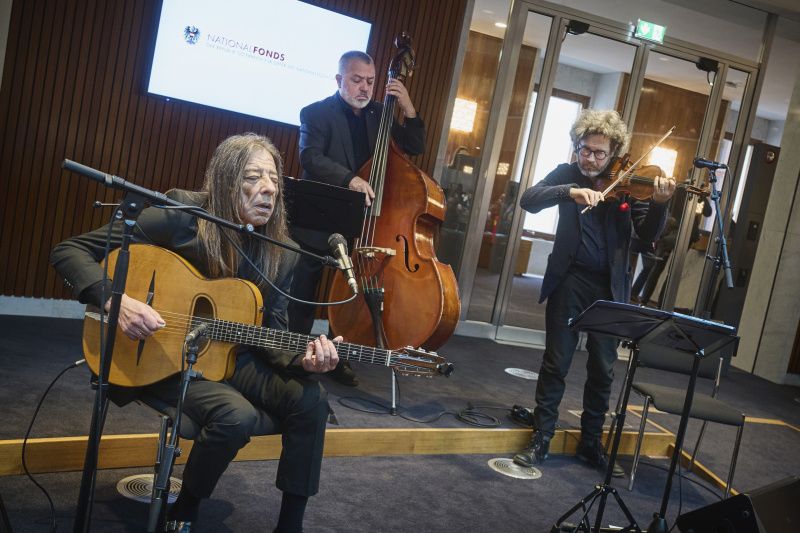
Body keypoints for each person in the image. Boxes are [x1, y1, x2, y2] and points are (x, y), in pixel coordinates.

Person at [51, 133, 339, 533]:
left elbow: (274, 335)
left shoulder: (283, 251)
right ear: (224, 181)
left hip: (235, 356)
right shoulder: (179, 215)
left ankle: (290, 525)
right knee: (234, 415)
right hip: (161, 353)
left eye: (273, 179)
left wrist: (305, 360)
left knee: (311, 398)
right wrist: (118, 302)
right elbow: (69, 251)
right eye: (253, 178)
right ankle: (186, 507)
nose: (268, 189)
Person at [513, 109, 676, 477]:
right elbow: (529, 199)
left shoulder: (627, 183)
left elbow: (648, 233)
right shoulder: (567, 173)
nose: (591, 159)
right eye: (585, 150)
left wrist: (661, 205)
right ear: (577, 147)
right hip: (570, 279)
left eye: (600, 153)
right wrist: (569, 192)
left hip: (611, 288)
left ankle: (590, 443)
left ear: (615, 151)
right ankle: (541, 438)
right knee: (556, 362)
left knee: (603, 369)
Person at [288, 50, 426, 386]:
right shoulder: (316, 112)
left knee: (346, 295)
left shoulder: (380, 113)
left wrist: (407, 107)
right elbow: (311, 157)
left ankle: (337, 358)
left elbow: (413, 145)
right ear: (339, 80)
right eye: (356, 80)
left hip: (358, 225)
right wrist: (350, 179)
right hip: (317, 218)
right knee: (304, 292)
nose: (364, 88)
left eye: (370, 81)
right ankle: (292, 354)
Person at [639, 216, 679, 307]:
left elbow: (657, 257)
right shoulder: (679, 237)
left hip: (661, 263)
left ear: (668, 226)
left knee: (653, 276)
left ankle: (644, 300)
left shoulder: (666, 240)